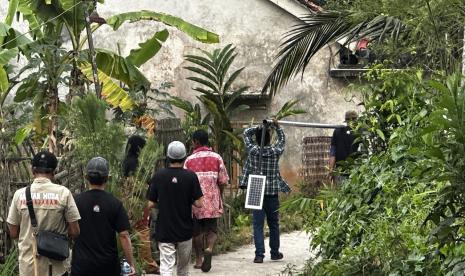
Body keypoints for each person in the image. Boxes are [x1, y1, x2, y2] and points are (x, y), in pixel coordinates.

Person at [7, 150, 81, 276]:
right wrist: (55, 235)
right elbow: (75, 231)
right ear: (54, 172)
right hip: (56, 268)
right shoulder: (64, 193)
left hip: (28, 267)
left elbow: (13, 233)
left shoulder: (20, 195)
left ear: (32, 170)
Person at [71, 157, 136, 276]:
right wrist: (130, 263)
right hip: (107, 266)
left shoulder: (76, 201)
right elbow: (124, 236)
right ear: (107, 178)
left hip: (81, 265)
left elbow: (69, 230)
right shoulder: (115, 203)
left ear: (86, 177)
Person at [147, 141, 204, 276]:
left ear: (168, 157)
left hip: (165, 228)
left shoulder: (159, 175)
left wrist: (163, 202)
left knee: (166, 266)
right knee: (183, 269)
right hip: (185, 229)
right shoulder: (191, 176)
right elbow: (199, 203)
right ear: (184, 157)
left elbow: (150, 204)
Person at [240, 119, 291, 264]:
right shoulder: (275, 152)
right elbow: (282, 140)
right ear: (269, 139)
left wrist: (259, 127)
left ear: (256, 138)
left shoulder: (253, 151)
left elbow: (245, 133)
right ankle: (274, 253)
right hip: (272, 192)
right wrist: (276, 126)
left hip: (256, 188)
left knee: (257, 224)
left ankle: (259, 255)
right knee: (274, 223)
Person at [184, 129, 229, 272]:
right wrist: (218, 194)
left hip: (195, 202)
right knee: (212, 229)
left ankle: (198, 259)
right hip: (212, 200)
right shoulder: (217, 158)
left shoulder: (189, 160)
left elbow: (185, 182)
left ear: (196, 142)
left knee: (196, 232)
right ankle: (209, 248)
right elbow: (223, 181)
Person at [328, 110, 360, 184]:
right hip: (356, 172)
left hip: (340, 171)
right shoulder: (359, 132)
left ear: (346, 120)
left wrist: (331, 171)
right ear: (356, 119)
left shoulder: (337, 131)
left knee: (341, 194)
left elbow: (332, 153)